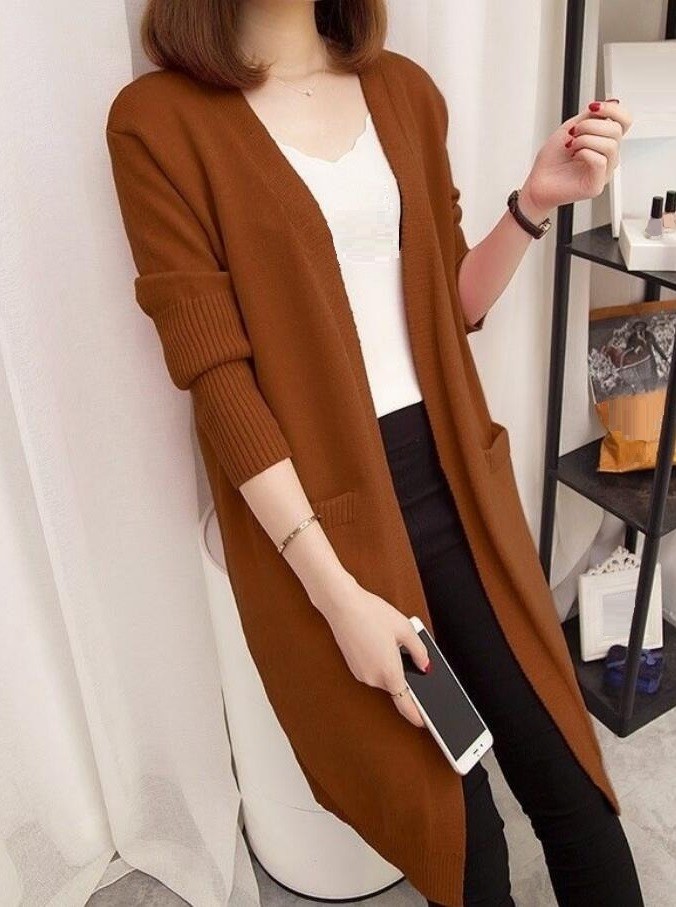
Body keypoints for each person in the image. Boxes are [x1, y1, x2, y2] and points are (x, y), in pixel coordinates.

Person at [107, 2, 643, 904]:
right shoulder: (157, 122)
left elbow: (447, 306)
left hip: (457, 488)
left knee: (571, 784)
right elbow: (219, 381)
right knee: (461, 837)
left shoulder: (404, 92)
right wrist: (338, 597)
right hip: (324, 522)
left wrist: (534, 204)